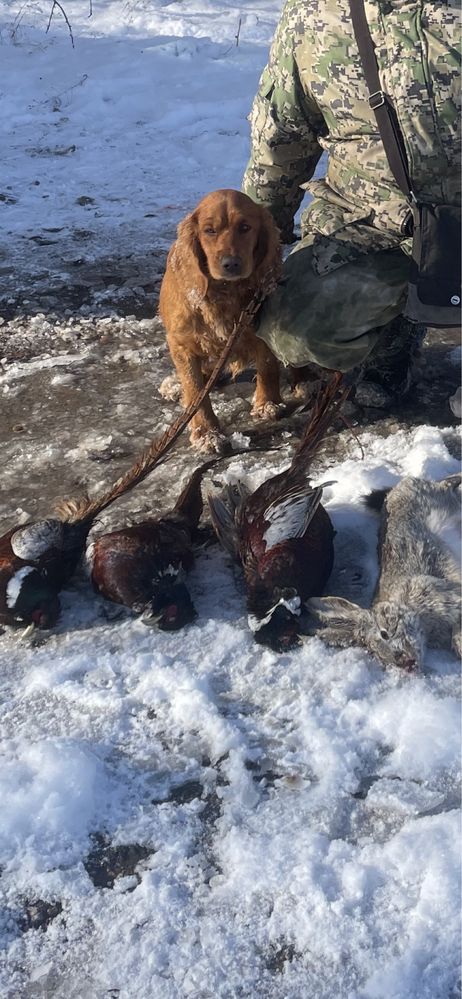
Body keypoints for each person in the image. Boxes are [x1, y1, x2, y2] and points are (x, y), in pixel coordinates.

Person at [242, 0, 461, 407]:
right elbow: (283, 136)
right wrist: (250, 252)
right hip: (375, 223)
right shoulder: (314, 13)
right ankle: (394, 337)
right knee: (293, 328)